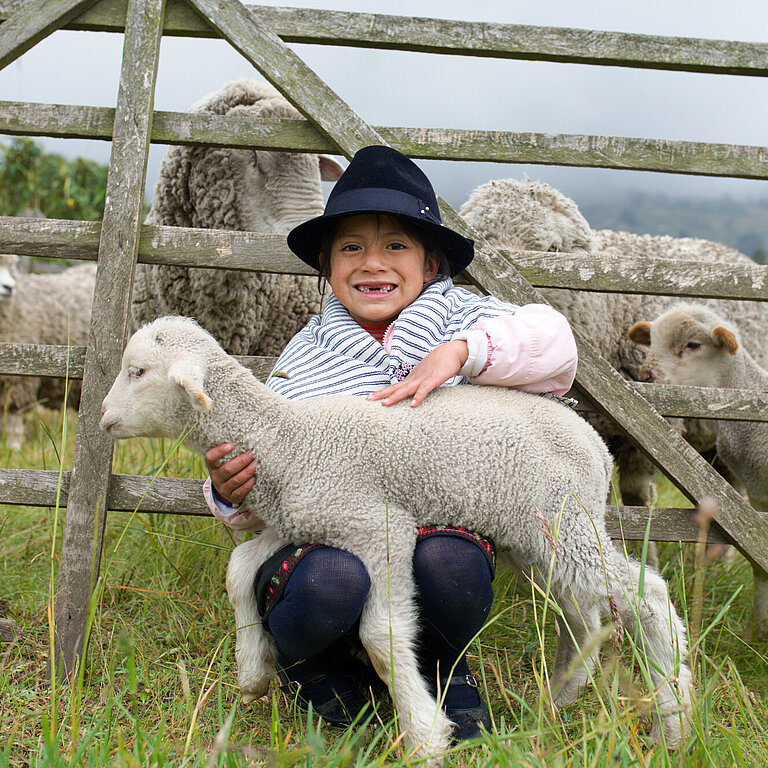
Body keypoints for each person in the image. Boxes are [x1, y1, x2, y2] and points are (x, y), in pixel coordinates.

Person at [202, 145, 578, 740]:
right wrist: (230, 490)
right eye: (351, 247)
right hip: (333, 545)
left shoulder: (466, 319)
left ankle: (437, 667)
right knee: (332, 580)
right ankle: (316, 667)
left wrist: (463, 353)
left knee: (451, 561)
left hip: (433, 523)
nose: (372, 263)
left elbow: (557, 346)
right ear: (327, 266)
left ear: (431, 265)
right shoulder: (307, 357)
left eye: (395, 246)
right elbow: (263, 466)